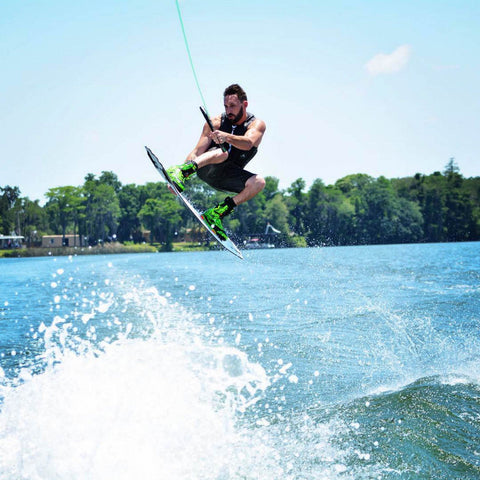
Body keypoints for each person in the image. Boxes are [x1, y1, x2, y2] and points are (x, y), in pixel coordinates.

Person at [166, 84, 266, 240]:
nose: (228, 110)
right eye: (226, 106)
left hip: (227, 178)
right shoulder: (216, 123)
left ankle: (217, 214)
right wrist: (178, 177)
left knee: (259, 182)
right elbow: (197, 152)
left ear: (244, 104)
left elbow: (248, 143)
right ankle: (182, 172)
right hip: (207, 169)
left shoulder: (256, 125)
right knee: (222, 153)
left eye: (232, 106)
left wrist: (226, 137)